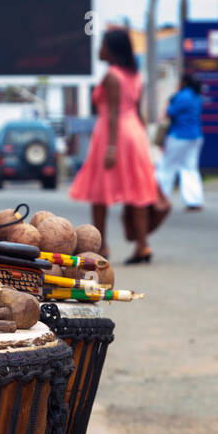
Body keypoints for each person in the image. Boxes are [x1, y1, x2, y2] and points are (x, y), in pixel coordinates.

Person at [68, 27, 160, 264]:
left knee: (100, 194)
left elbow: (113, 114)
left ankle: (101, 247)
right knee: (137, 193)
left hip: (113, 135)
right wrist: (144, 145)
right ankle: (143, 245)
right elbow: (138, 112)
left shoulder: (112, 76)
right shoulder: (135, 76)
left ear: (112, 50)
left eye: (103, 45)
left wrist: (111, 148)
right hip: (135, 135)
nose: (100, 50)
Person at [157, 75, 205, 211]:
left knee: (168, 167)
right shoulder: (197, 96)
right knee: (190, 168)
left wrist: (171, 98)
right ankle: (194, 200)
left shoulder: (182, 96)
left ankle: (161, 197)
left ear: (184, 82)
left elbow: (169, 112)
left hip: (179, 136)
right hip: (196, 136)